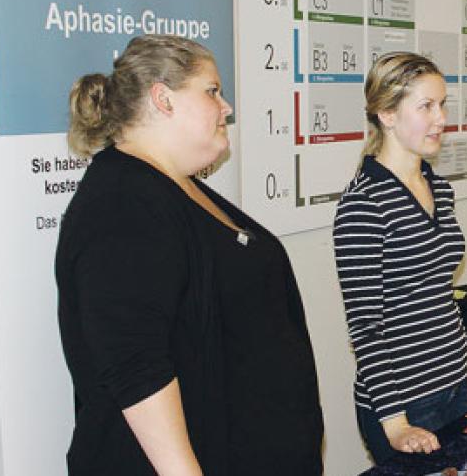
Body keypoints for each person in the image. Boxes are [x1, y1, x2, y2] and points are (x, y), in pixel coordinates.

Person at [56, 34, 324, 475]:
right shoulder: (122, 200)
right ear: (163, 99)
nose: (227, 107)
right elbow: (134, 366)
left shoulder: (174, 186)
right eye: (212, 91)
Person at [332, 52, 467, 465]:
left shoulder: (439, 187)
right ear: (386, 114)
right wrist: (395, 424)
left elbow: (439, 298)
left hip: (454, 387)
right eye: (426, 106)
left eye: (442, 104)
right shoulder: (365, 204)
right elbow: (365, 326)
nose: (441, 119)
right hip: (404, 402)